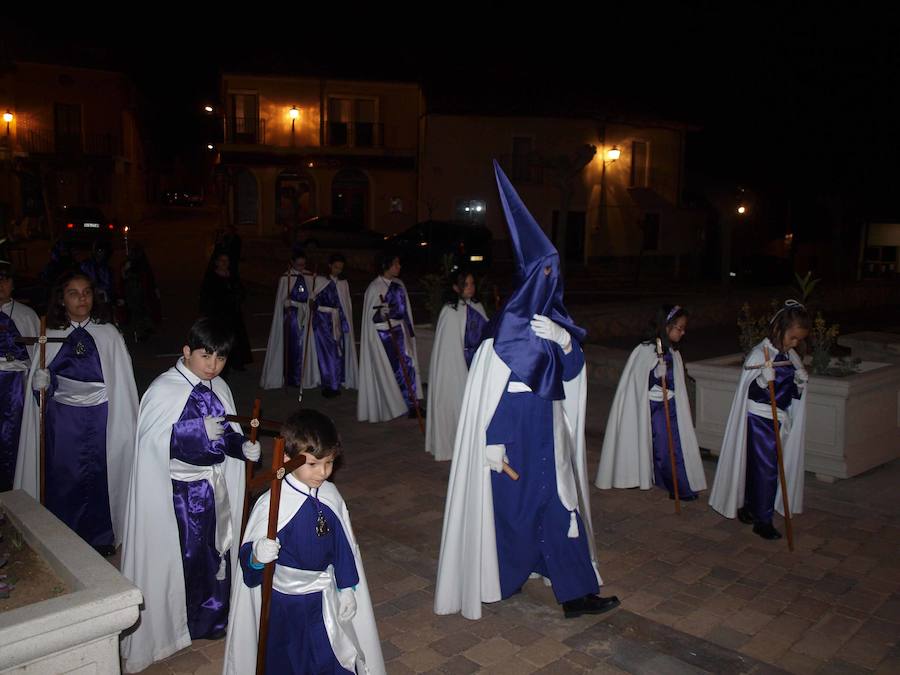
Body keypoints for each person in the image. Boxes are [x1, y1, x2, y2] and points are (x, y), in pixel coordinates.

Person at [434, 161, 618, 620]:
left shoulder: (555, 323)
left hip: (548, 432)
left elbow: (574, 375)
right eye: (549, 274)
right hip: (512, 434)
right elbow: (489, 389)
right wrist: (490, 440)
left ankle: (577, 592)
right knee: (513, 514)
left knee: (561, 507)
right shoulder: (505, 330)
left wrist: (565, 343)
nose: (557, 281)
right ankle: (507, 576)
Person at [120, 317, 259, 672]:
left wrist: (242, 446)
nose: (212, 365)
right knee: (185, 558)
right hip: (178, 495)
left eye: (221, 359)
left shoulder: (219, 389)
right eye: (205, 356)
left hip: (213, 490)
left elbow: (226, 433)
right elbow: (154, 441)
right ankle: (178, 625)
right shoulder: (165, 389)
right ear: (187, 351)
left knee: (215, 555)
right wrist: (196, 431)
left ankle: (211, 619)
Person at [224, 409, 385, 675]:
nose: (322, 473)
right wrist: (256, 555)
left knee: (331, 658)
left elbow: (343, 548)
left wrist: (347, 587)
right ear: (288, 458)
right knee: (289, 661)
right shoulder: (272, 505)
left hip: (324, 599)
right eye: (313, 464)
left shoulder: (330, 496)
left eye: (330, 463)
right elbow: (249, 571)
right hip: (285, 605)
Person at [15, 271, 138, 556]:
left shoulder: (108, 335)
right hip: (63, 420)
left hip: (102, 417)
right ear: (62, 299)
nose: (82, 299)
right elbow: (40, 386)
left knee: (101, 476)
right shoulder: (51, 335)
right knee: (64, 476)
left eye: (87, 293)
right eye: (74, 293)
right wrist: (40, 385)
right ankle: (64, 536)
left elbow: (121, 383)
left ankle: (101, 536)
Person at [709, 300, 811, 540]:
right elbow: (750, 391)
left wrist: (799, 384)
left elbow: (790, 395)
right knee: (766, 469)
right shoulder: (761, 354)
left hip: (780, 418)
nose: (795, 343)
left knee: (759, 467)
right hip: (760, 420)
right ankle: (763, 520)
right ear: (779, 329)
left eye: (799, 339)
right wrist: (763, 382)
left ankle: (750, 507)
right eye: (793, 337)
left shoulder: (790, 356)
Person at [595, 305, 706, 500]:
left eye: (683, 328)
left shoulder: (673, 352)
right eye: (679, 328)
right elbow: (637, 383)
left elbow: (676, 382)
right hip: (652, 407)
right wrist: (654, 375)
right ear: (666, 326)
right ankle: (676, 486)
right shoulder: (645, 351)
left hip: (670, 405)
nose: (683, 332)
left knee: (673, 445)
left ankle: (672, 482)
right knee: (665, 446)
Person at [425, 270, 488, 460]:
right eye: (466, 284)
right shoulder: (450, 312)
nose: (471, 287)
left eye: (472, 283)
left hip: (475, 366)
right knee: (455, 405)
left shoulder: (477, 306)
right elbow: (448, 351)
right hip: (455, 369)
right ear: (456, 287)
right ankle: (452, 447)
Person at [357, 253, 424, 422]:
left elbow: (404, 311)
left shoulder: (398, 285)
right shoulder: (375, 288)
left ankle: (412, 403)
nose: (399, 267)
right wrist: (380, 314)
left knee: (408, 366)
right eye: (396, 264)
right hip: (385, 335)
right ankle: (404, 403)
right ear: (387, 265)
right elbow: (371, 317)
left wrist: (409, 332)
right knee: (397, 370)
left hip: (400, 332)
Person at [0, 260, 40, 491]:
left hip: (16, 387)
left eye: (5, 279)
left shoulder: (26, 315)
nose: (0, 284)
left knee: (15, 437)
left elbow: (38, 356)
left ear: (13, 284)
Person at [259, 248, 317, 391]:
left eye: (303, 264)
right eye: (298, 265)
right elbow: (281, 300)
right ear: (292, 263)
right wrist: (287, 303)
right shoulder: (286, 278)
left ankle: (305, 376)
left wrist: (312, 300)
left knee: (305, 346)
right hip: (291, 318)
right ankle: (291, 377)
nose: (301, 268)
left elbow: (313, 294)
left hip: (305, 316)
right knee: (292, 346)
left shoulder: (310, 276)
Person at [310, 253, 358, 397]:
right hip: (322, 322)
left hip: (337, 322)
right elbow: (312, 299)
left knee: (338, 353)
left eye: (341, 268)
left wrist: (344, 323)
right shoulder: (319, 280)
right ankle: (330, 384)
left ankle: (336, 381)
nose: (338, 270)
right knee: (327, 354)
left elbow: (345, 305)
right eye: (336, 267)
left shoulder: (343, 284)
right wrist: (313, 304)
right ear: (330, 265)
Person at [200, 251, 252, 371]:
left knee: (237, 339)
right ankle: (224, 365)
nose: (225, 263)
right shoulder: (211, 277)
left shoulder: (232, 275)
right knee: (222, 340)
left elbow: (241, 291)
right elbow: (207, 297)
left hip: (233, 313)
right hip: (219, 315)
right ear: (216, 262)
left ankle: (238, 362)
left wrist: (238, 296)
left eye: (227, 261)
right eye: (222, 261)